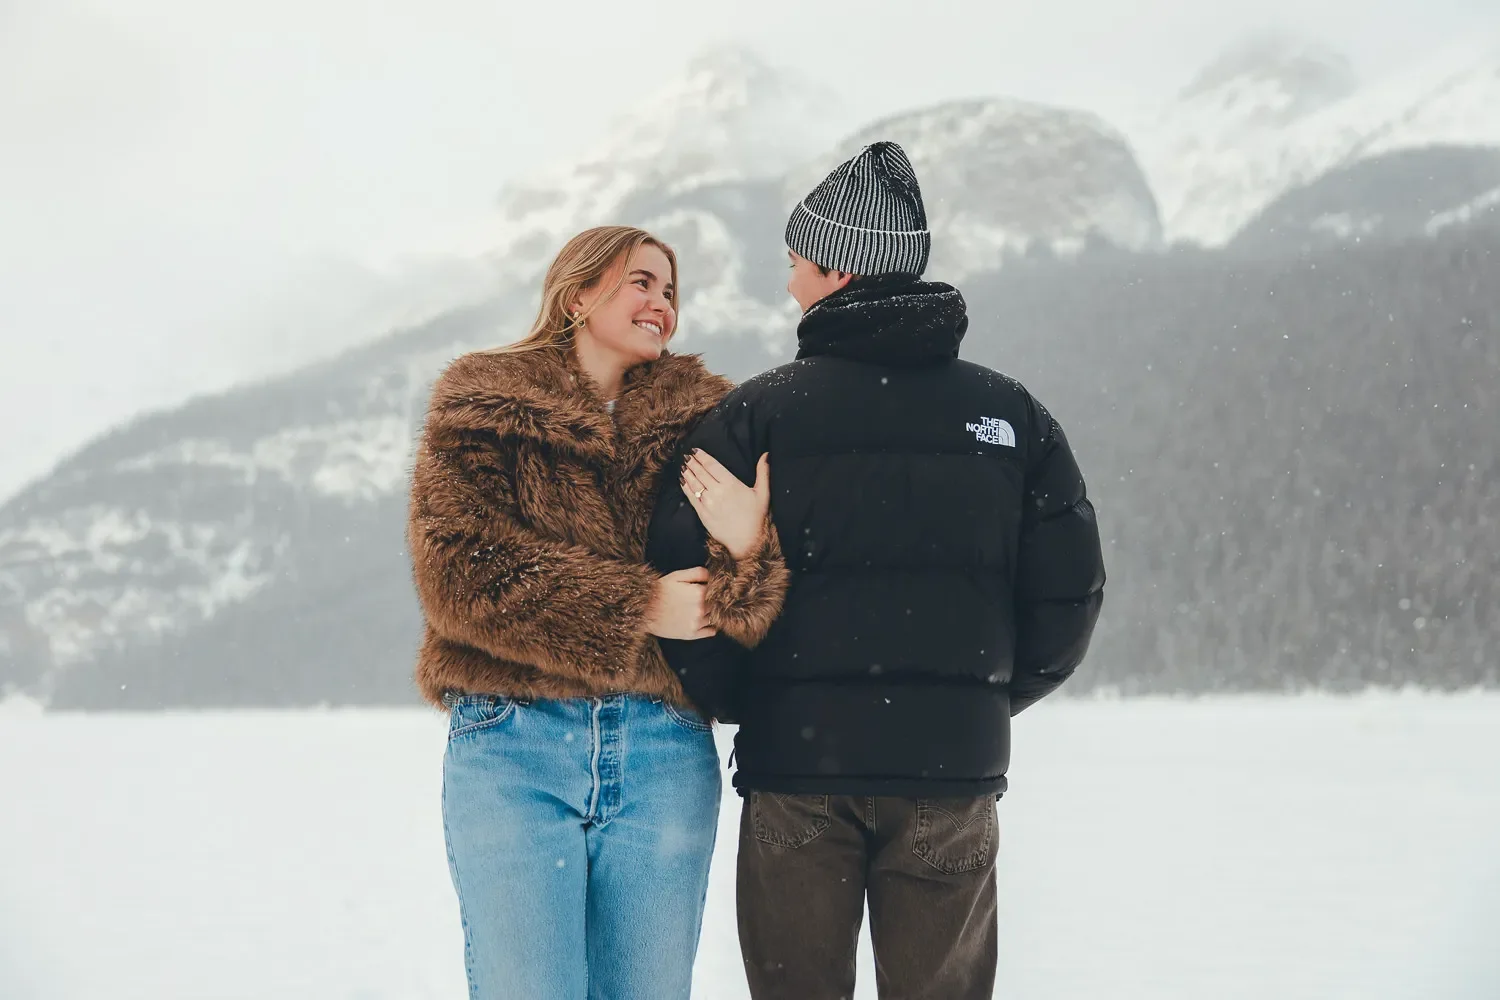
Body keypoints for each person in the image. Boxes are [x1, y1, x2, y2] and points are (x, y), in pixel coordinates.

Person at [645, 142, 1106, 999]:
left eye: (795, 263)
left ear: (838, 269)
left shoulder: (756, 414)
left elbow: (682, 581)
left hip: (797, 777)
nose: (788, 286)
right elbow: (1069, 599)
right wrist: (974, 699)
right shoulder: (1012, 417)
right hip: (949, 776)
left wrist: (750, 703)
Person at [406, 225, 789, 1000]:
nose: (662, 304)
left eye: (671, 292)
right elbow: (459, 571)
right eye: (642, 282)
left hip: (664, 749)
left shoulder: (714, 422)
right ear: (578, 293)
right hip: (514, 741)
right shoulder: (483, 405)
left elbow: (743, 600)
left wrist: (751, 553)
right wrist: (637, 605)